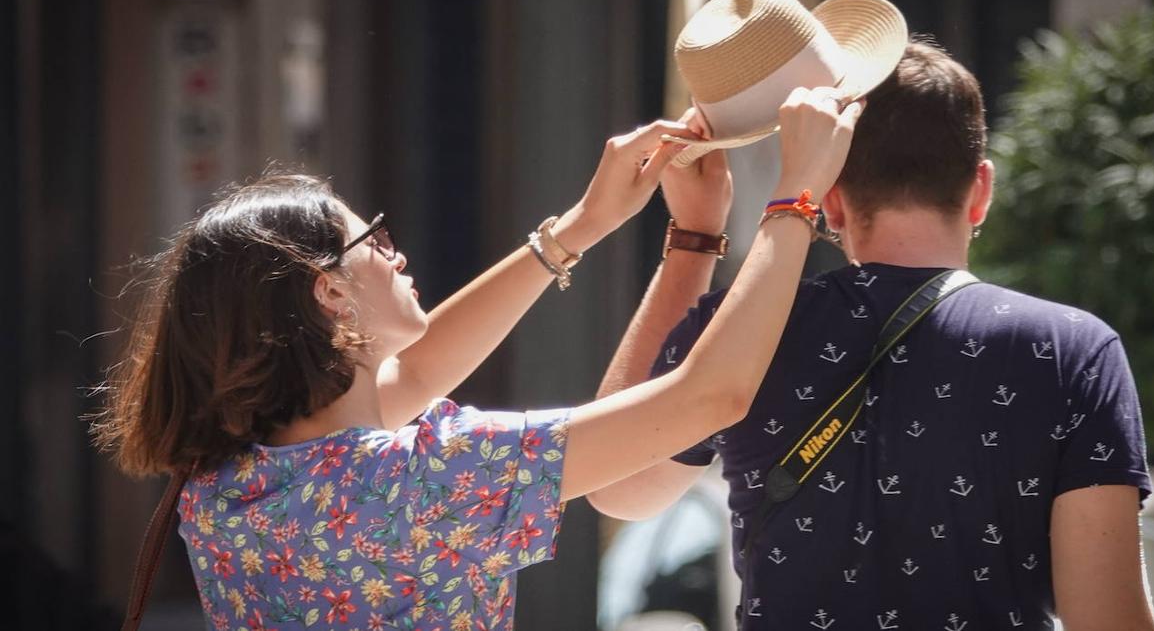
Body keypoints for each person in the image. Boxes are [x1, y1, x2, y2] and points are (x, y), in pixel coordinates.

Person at [91, 88, 862, 631]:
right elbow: (709, 398)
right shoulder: (429, 479)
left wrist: (585, 225)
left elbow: (416, 374)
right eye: (375, 241)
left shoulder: (229, 482)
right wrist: (795, 196)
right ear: (329, 293)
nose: (396, 253)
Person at [587, 41, 1154, 630]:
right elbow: (1108, 619)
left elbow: (616, 485)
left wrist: (695, 237)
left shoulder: (739, 337)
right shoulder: (1072, 350)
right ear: (981, 191)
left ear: (831, 202)